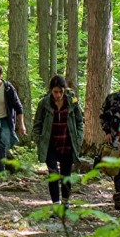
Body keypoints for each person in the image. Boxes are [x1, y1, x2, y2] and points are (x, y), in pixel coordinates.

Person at [33, 75, 84, 206]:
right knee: (53, 174)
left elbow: (80, 121)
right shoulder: (44, 103)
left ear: (64, 90)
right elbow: (37, 124)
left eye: (61, 91)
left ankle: (65, 204)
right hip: (50, 145)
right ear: (51, 90)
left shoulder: (73, 101)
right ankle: (56, 204)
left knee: (66, 175)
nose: (58, 94)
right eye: (55, 91)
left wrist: (78, 139)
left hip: (68, 144)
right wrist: (39, 140)